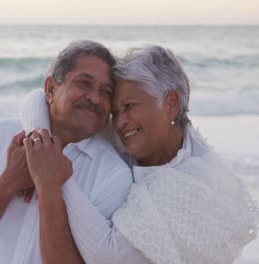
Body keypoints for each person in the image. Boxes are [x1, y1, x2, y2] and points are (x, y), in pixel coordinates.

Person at [21, 45, 258, 264]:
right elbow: (37, 99)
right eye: (115, 111)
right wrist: (38, 141)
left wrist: (57, 177)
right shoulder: (153, 137)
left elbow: (107, 254)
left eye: (130, 106)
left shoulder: (192, 182)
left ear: (171, 104)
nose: (120, 122)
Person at [0, 40, 137, 264]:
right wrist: (12, 178)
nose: (95, 98)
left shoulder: (113, 174)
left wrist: (49, 185)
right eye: (84, 83)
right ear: (50, 89)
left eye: (106, 92)